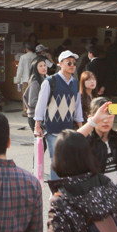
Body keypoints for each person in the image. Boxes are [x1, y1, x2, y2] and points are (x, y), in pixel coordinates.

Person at [34, 50, 84, 179]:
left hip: (68, 129)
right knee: (55, 160)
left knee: (68, 160)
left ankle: (65, 187)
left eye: (74, 63)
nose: (72, 65)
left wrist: (81, 125)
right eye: (69, 62)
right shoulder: (50, 82)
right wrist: (37, 125)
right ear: (60, 64)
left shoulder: (75, 84)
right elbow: (41, 104)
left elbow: (77, 106)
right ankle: (55, 190)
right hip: (52, 128)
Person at [23, 57, 49, 131]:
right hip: (34, 116)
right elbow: (32, 102)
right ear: (35, 68)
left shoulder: (47, 79)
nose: (44, 67)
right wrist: (47, 103)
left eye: (44, 65)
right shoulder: (35, 82)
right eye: (40, 66)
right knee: (40, 141)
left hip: (44, 116)